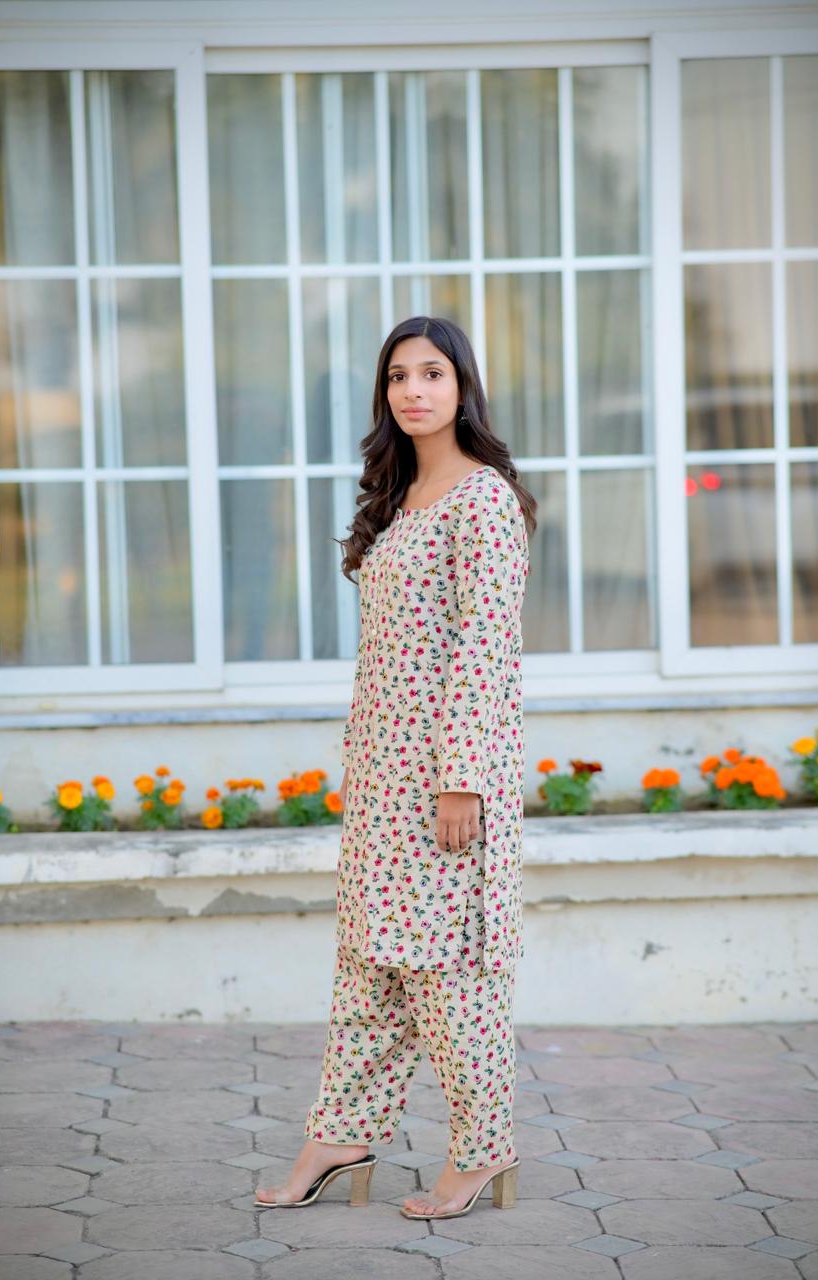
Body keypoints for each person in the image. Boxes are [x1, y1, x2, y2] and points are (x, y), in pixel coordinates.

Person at [255, 315, 536, 1219]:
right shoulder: (399, 497)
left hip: (448, 782)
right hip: (382, 779)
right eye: (398, 377)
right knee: (368, 967)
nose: (413, 390)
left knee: (450, 975)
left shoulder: (483, 500)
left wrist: (461, 780)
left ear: (463, 388)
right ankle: (340, 1134)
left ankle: (483, 1150)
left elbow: (485, 650)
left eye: (432, 373)